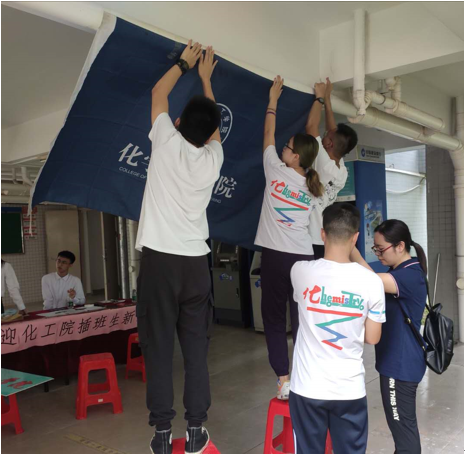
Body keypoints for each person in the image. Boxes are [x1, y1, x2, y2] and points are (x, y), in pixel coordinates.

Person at [135, 42, 223, 454]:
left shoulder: (166, 142)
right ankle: (196, 428)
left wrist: (184, 63)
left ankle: (161, 432)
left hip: (159, 264)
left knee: (157, 347)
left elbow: (157, 93)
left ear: (178, 121)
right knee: (195, 350)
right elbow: (213, 127)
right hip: (195, 267)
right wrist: (205, 76)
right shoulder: (213, 158)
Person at [289, 203, 385, 454]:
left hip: (307, 388)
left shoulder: (300, 271)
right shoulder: (372, 283)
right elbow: (373, 338)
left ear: (322, 234)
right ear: (355, 237)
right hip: (349, 389)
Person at [254, 75, 328, 400]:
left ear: (295, 157)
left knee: (272, 319)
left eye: (288, 147)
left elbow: (267, 133)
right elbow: (309, 138)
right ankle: (303, 374)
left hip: (274, 255)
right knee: (301, 318)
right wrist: (320, 100)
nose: (282, 147)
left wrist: (272, 100)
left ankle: (284, 380)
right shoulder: (313, 185)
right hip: (303, 258)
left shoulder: (274, 169)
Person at [350, 219, 427, 453]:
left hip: (400, 367)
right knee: (402, 429)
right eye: (375, 249)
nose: (378, 254)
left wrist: (348, 246)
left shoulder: (411, 275)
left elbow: (371, 281)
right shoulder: (400, 270)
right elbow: (375, 281)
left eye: (380, 249)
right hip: (398, 363)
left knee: (403, 431)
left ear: (400, 246)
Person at [306, 78, 358, 259]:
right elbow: (333, 131)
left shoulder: (323, 163)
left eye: (326, 135)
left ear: (328, 143)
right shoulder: (340, 170)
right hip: (322, 237)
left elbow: (311, 126)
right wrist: (328, 100)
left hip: (309, 237)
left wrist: (319, 98)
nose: (326, 132)